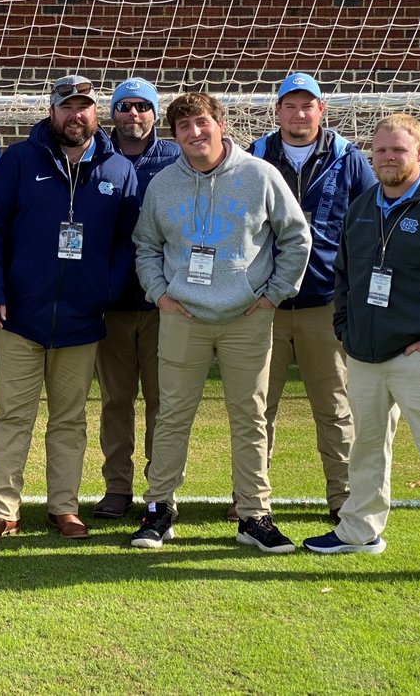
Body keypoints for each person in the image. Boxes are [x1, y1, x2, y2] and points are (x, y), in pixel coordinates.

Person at [304, 113, 420, 593]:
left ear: (419, 154)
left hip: (419, 357)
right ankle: (359, 531)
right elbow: (344, 275)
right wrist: (344, 328)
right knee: (366, 448)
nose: (388, 158)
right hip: (364, 355)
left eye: (398, 150)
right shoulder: (362, 206)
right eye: (381, 150)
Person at [130, 92, 311, 553]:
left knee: (250, 416)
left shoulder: (260, 175)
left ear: (220, 123)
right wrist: (160, 294)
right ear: (175, 136)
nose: (195, 133)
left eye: (202, 123)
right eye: (184, 126)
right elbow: (146, 245)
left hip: (246, 317)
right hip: (183, 316)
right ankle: (159, 509)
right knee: (172, 415)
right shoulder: (163, 184)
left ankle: (253, 514)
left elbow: (296, 237)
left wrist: (273, 294)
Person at [0, 75, 139, 543]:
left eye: (84, 106)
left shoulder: (118, 169)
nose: (75, 115)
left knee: (69, 420)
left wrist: (107, 289)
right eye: (67, 106)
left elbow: (128, 242)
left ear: (95, 113)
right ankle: (3, 511)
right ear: (52, 112)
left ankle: (64, 508)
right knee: (13, 418)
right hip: (20, 317)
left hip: (82, 321)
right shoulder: (20, 160)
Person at [240, 72, 376, 524]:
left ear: (322, 109)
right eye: (290, 105)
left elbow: (371, 222)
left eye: (307, 105)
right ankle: (251, 498)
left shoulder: (348, 158)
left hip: (325, 303)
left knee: (334, 407)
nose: (299, 114)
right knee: (257, 407)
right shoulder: (255, 154)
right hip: (266, 305)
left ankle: (344, 497)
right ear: (277, 110)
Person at [92, 77, 180, 520]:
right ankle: (117, 487)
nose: (133, 114)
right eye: (125, 106)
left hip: (165, 303)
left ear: (155, 113)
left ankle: (160, 489)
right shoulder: (95, 155)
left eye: (142, 106)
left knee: (164, 402)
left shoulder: (176, 158)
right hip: (111, 303)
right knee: (115, 401)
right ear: (113, 112)